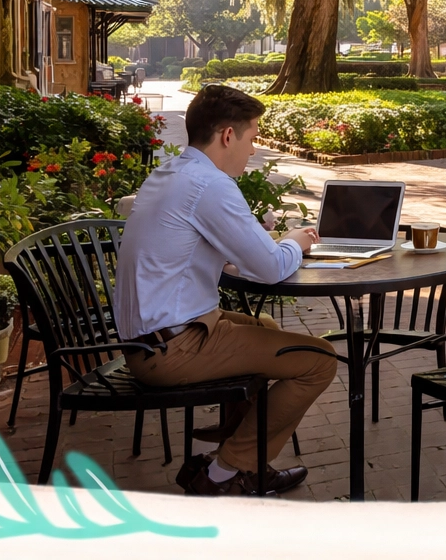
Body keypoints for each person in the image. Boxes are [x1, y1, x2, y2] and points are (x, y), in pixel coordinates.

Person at [114, 84, 332, 496]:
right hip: (171, 350)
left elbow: (200, 249)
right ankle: (223, 472)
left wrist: (253, 245)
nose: (253, 151)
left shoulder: (171, 174)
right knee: (319, 360)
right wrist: (294, 242)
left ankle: (244, 459)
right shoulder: (209, 185)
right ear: (227, 136)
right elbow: (269, 269)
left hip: (152, 339)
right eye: (252, 138)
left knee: (266, 326)